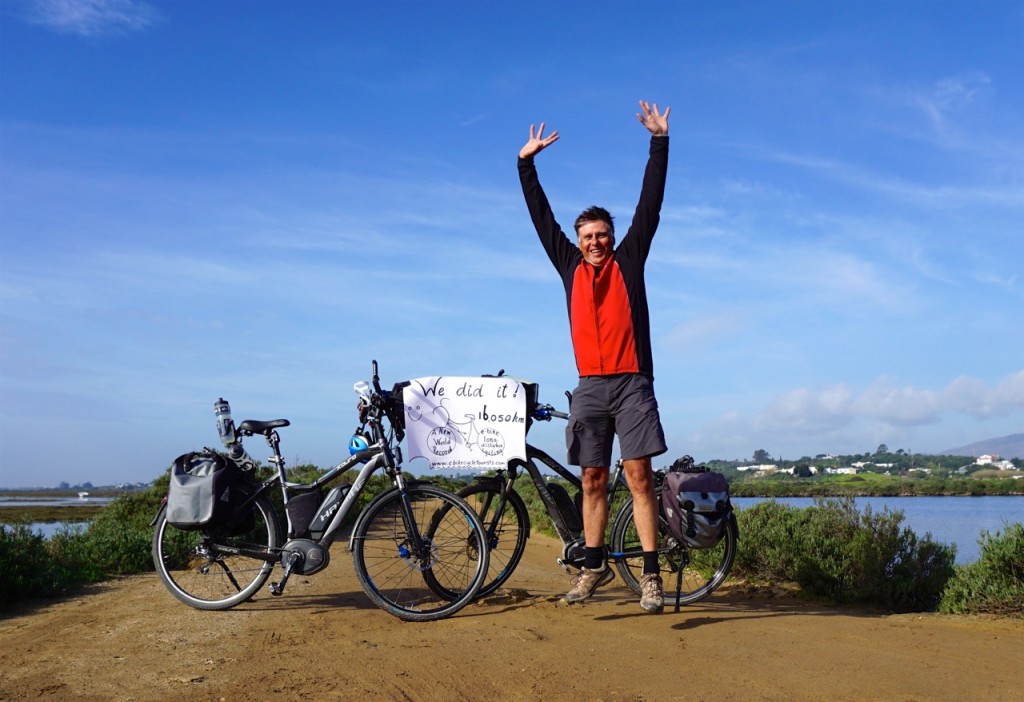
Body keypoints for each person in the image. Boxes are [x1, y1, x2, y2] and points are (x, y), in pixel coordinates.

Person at [518, 100, 671, 614]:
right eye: (588, 237)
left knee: (639, 477)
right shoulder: (569, 266)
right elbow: (542, 219)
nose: (596, 242)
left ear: (612, 237)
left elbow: (650, 203)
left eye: (602, 234)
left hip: (631, 383)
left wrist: (659, 142)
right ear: (579, 243)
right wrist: (526, 165)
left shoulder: (629, 260)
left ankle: (651, 576)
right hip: (589, 386)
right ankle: (592, 567)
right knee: (591, 479)